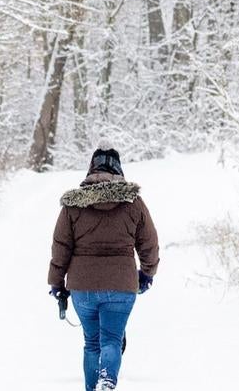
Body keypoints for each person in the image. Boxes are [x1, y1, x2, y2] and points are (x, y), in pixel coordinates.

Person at [47, 146, 159, 391]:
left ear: (91, 168)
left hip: (82, 287)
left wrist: (56, 282)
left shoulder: (73, 204)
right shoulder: (133, 202)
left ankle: (94, 387)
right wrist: (147, 272)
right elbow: (149, 242)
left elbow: (60, 246)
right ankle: (107, 382)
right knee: (111, 340)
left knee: (92, 343)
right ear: (119, 169)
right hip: (121, 286)